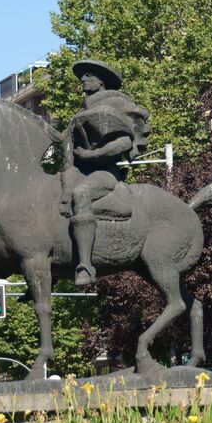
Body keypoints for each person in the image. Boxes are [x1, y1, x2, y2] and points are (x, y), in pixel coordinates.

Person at [60, 60, 150, 285]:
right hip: (78, 170)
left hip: (105, 173)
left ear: (101, 81)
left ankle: (85, 267)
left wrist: (92, 155)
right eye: (82, 77)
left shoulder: (116, 104)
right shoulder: (84, 108)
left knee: (81, 193)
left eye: (88, 75)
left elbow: (123, 143)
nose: (82, 80)